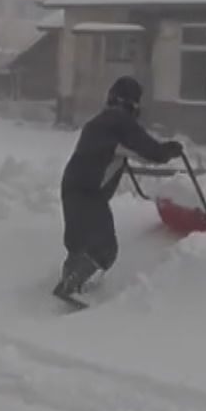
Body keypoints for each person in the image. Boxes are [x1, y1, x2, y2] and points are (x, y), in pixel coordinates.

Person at [56, 76, 183, 300]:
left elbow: (126, 151)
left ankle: (68, 285)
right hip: (89, 193)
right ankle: (72, 287)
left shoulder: (98, 122)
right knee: (104, 249)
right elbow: (150, 152)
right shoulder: (120, 122)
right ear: (133, 104)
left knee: (79, 245)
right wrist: (170, 150)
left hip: (71, 188)